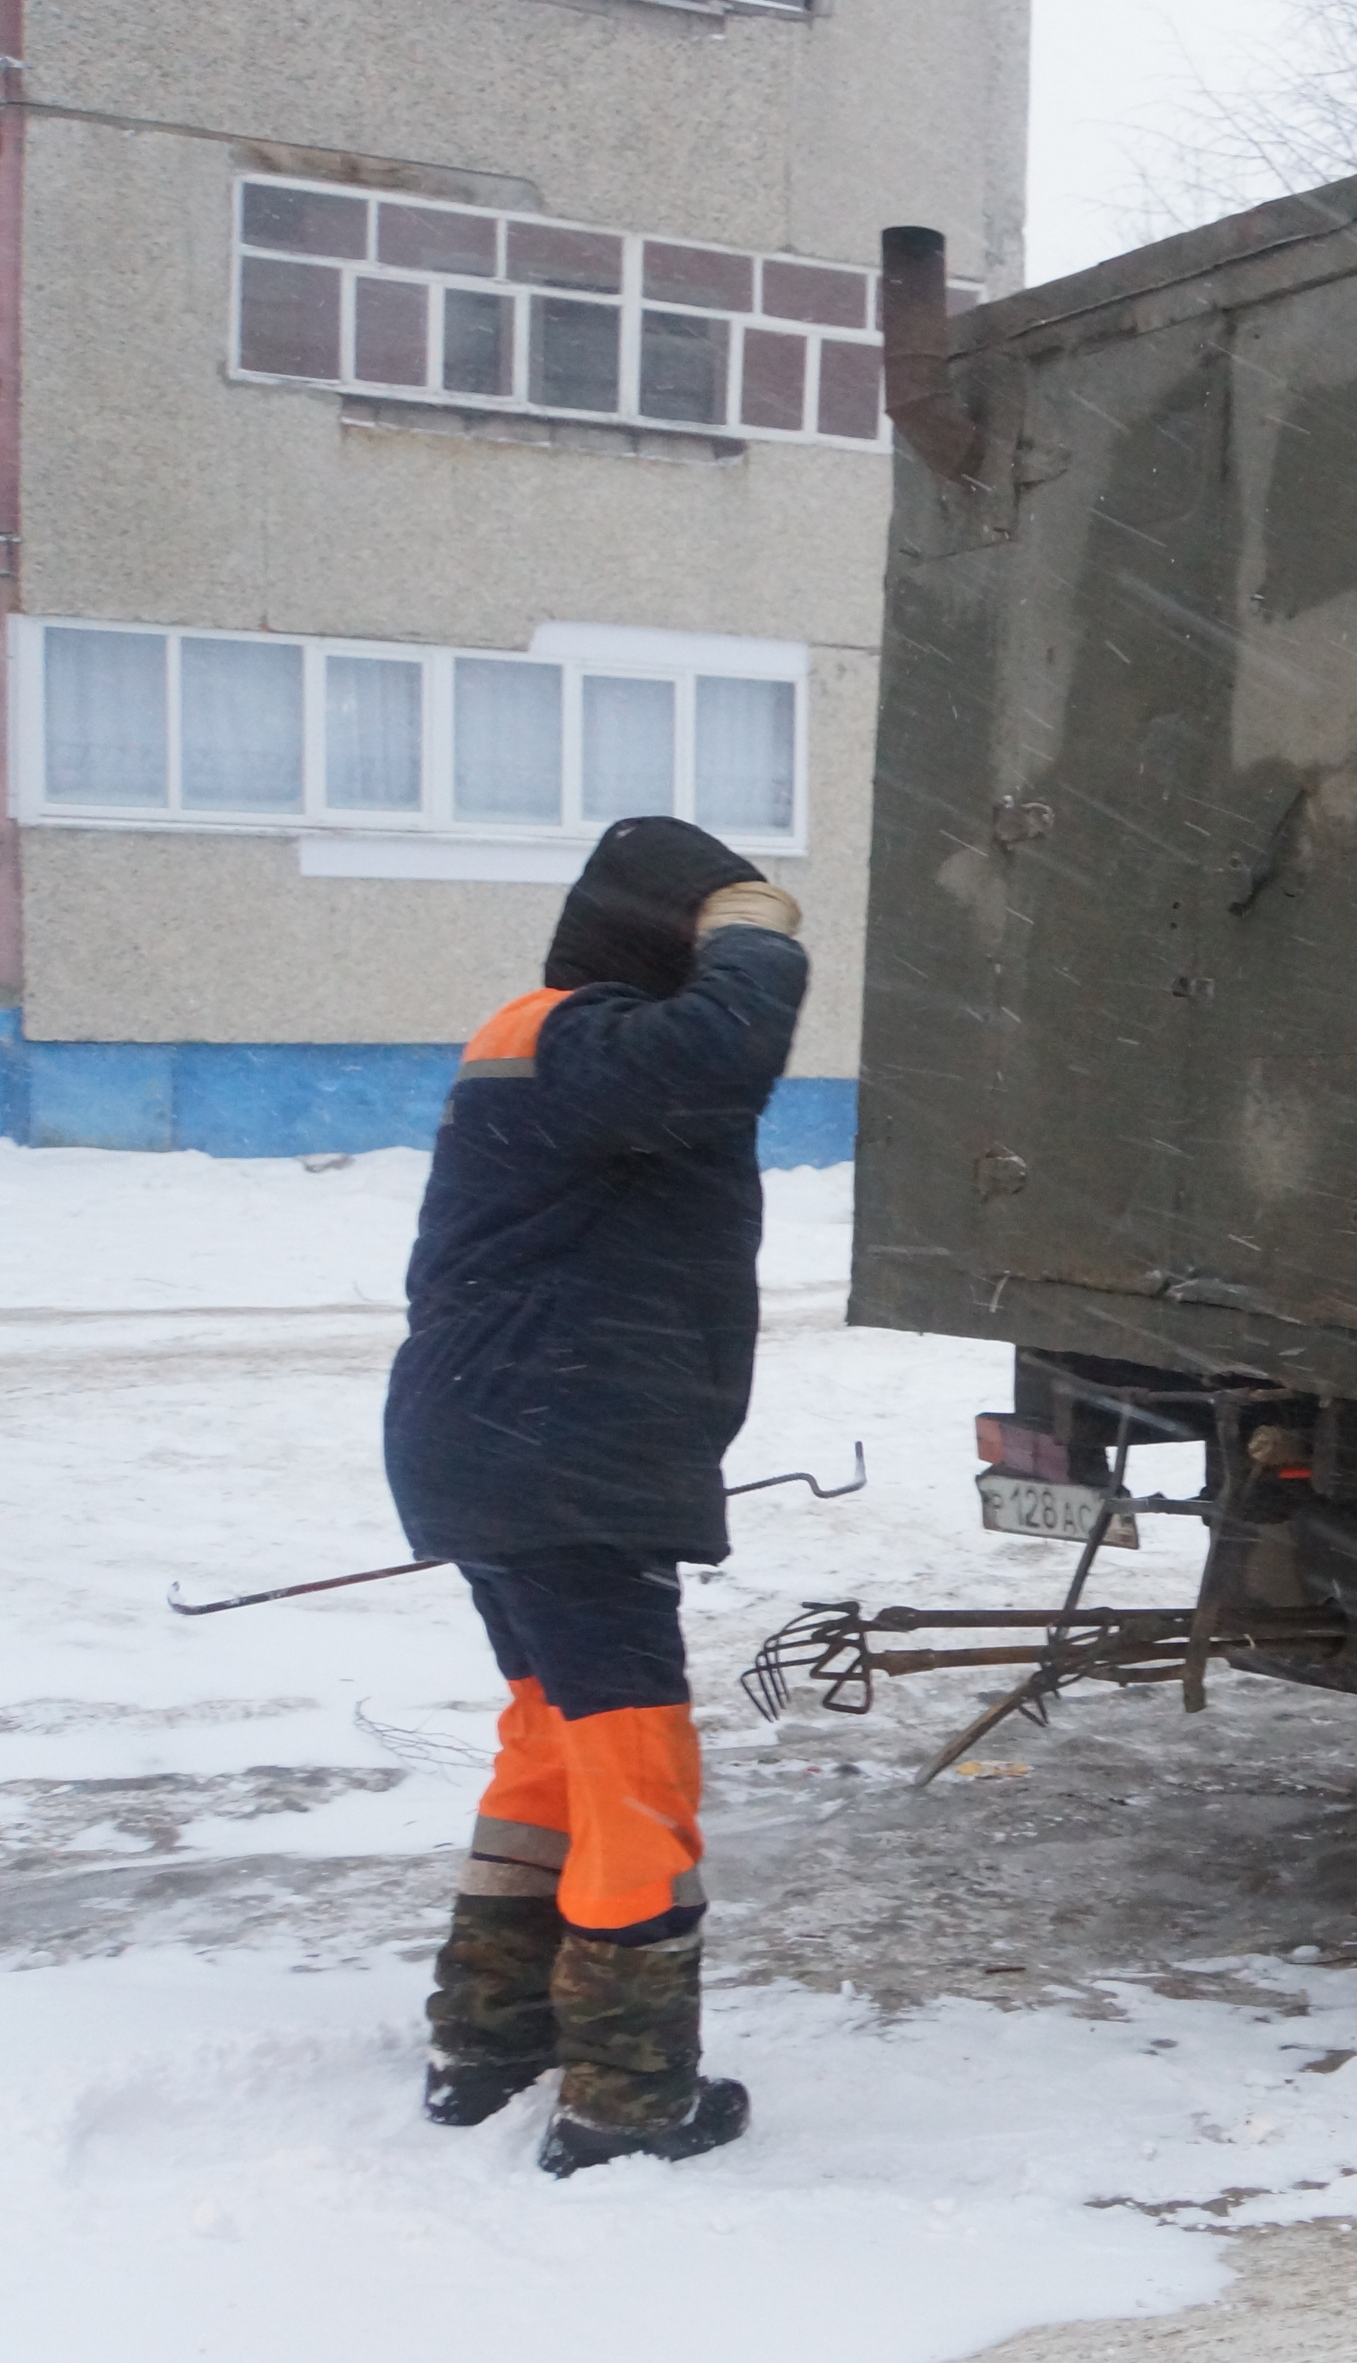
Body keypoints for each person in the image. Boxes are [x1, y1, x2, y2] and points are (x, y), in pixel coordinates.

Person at [385, 818, 807, 2177]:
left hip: (516, 1445)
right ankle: (628, 2100)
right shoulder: (578, 1038)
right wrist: (753, 936)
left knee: (551, 1745)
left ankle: (490, 2038)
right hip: (558, 1454)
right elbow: (724, 1055)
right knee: (634, 1771)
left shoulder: (564, 1045)